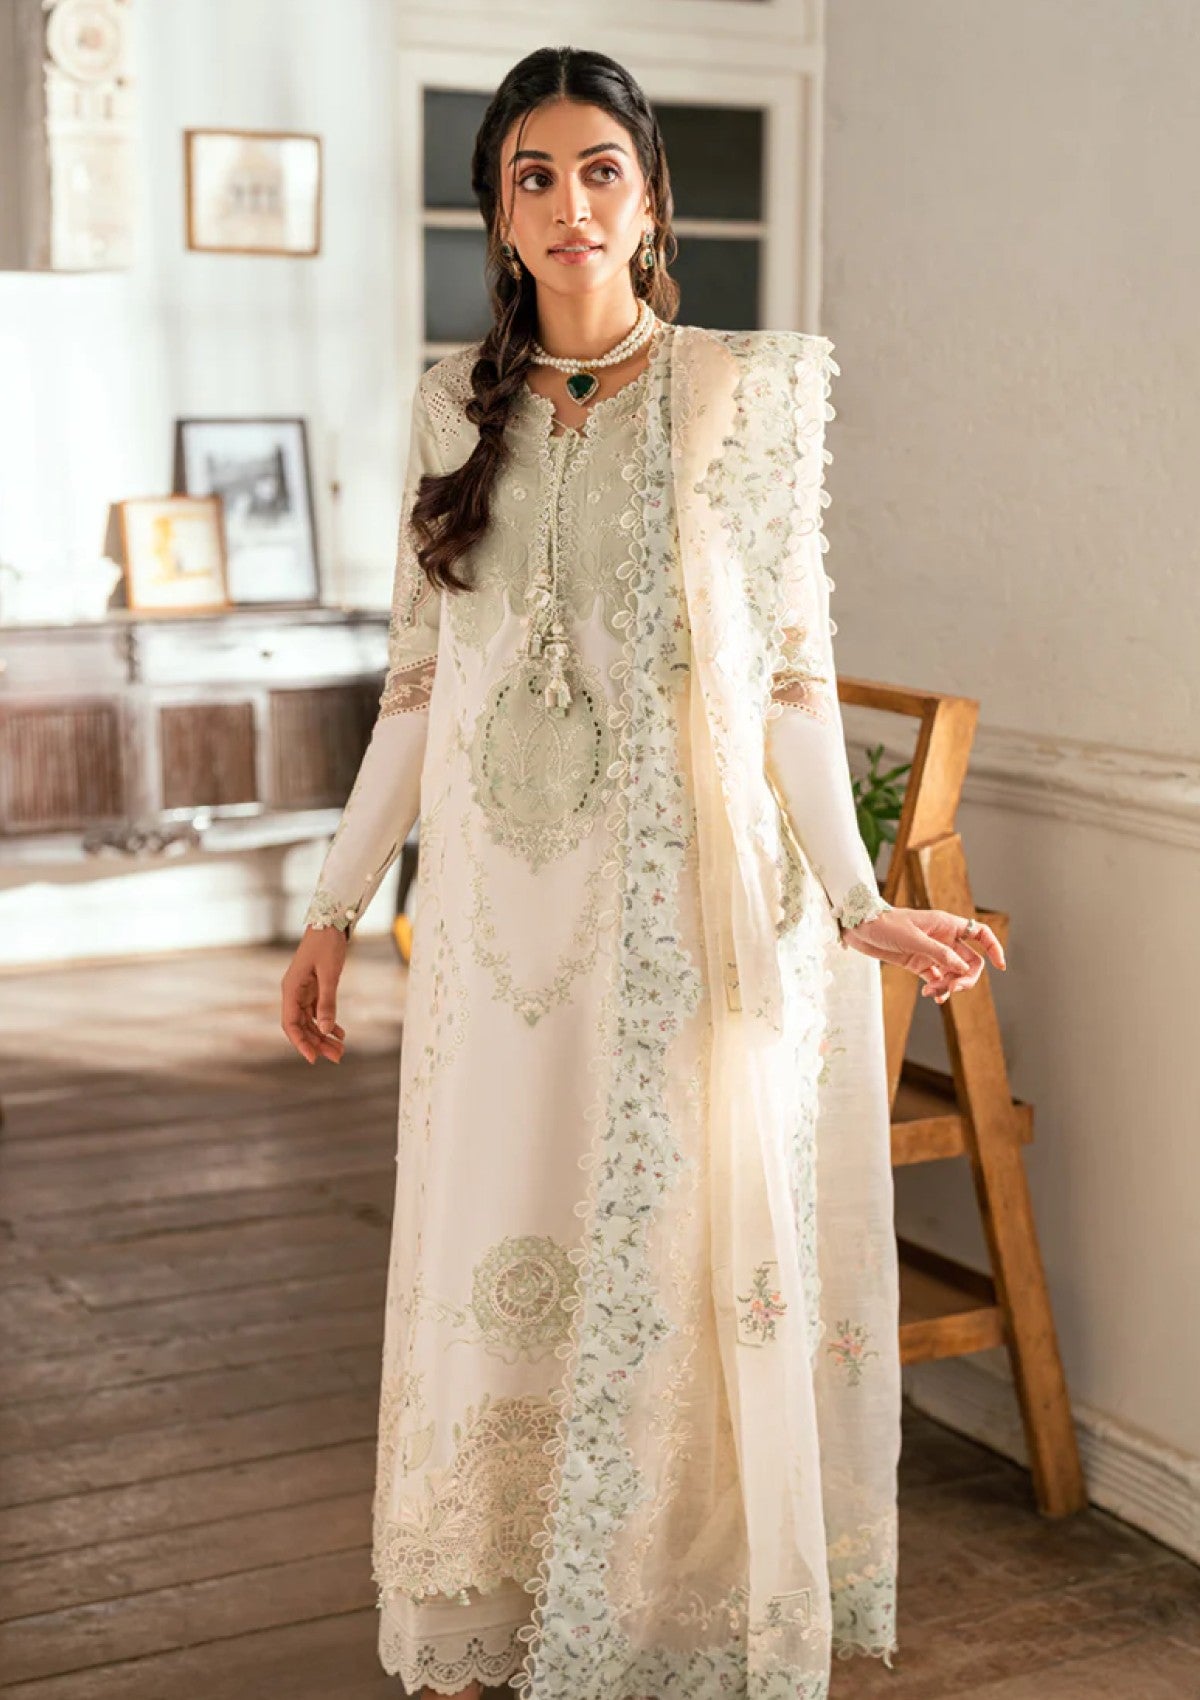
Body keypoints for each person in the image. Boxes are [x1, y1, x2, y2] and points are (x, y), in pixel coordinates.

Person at [280, 45, 1005, 1700]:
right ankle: (492, 1592)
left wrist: (857, 898)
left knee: (670, 1244)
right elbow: (417, 689)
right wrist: (333, 906)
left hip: (678, 906)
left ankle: (659, 1613)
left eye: (599, 168)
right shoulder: (450, 404)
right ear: (499, 214)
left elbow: (796, 682)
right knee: (498, 1227)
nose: (570, 203)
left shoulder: (745, 395)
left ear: (651, 195)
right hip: (496, 919)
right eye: (531, 175)